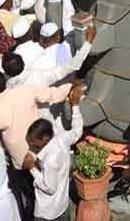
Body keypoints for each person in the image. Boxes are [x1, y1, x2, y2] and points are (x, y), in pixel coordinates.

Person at [25, 82, 85, 221]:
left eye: (33, 141)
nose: (31, 144)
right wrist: (75, 106)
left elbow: (49, 188)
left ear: (45, 138)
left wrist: (32, 168)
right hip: (63, 205)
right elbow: (77, 130)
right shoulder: (61, 138)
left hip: (48, 213)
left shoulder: (50, 160)